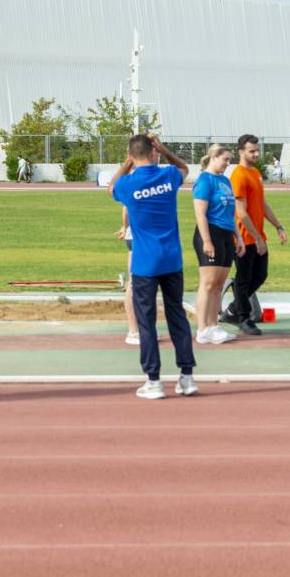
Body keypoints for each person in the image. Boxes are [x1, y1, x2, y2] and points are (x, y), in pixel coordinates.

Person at [110, 132, 197, 399]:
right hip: (171, 259)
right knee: (177, 316)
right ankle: (186, 377)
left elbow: (111, 187)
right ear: (153, 152)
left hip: (144, 264)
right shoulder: (168, 176)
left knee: (146, 324)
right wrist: (165, 150)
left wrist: (128, 162)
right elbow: (184, 169)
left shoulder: (128, 183)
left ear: (132, 155)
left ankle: (153, 381)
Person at [225, 134, 287, 336]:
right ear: (240, 152)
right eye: (251, 151)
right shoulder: (238, 175)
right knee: (243, 279)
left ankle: (233, 309)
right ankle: (243, 318)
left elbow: (262, 203)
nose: (256, 154)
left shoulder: (255, 172)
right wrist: (257, 238)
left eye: (257, 150)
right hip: (243, 238)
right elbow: (241, 212)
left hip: (257, 235)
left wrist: (278, 226)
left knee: (260, 275)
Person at [190, 143, 243, 344]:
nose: (227, 163)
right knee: (208, 283)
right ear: (214, 157)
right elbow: (200, 213)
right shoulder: (205, 180)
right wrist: (207, 241)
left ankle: (213, 326)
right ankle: (202, 328)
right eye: (225, 159)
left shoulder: (225, 180)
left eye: (230, 160)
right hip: (210, 232)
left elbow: (230, 212)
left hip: (226, 234)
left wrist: (238, 236)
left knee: (218, 284)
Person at [116, 207, 140, 345]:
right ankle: (133, 331)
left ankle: (142, 329)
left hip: (144, 236)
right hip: (138, 237)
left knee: (144, 282)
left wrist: (125, 227)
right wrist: (125, 227)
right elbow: (126, 208)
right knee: (134, 282)